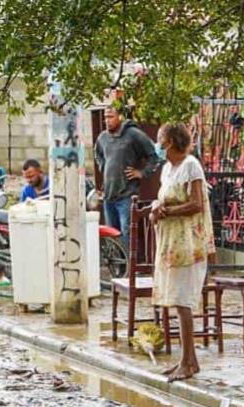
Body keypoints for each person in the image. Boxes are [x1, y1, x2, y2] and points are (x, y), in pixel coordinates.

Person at [150, 122, 215, 382]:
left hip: (189, 243)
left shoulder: (191, 165)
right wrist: (157, 207)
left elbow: (196, 203)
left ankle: (189, 362)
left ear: (172, 142)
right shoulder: (167, 169)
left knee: (184, 300)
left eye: (161, 141)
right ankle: (187, 360)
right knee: (176, 300)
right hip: (170, 243)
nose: (158, 145)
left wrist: (169, 211)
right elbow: (164, 197)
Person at [95, 106, 161, 247]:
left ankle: (130, 268)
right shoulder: (103, 137)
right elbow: (98, 155)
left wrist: (141, 172)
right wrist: (105, 168)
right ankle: (119, 268)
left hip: (127, 195)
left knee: (127, 236)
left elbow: (154, 157)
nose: (107, 120)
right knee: (111, 236)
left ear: (120, 117)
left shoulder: (133, 134)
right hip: (108, 196)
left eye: (111, 117)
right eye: (105, 117)